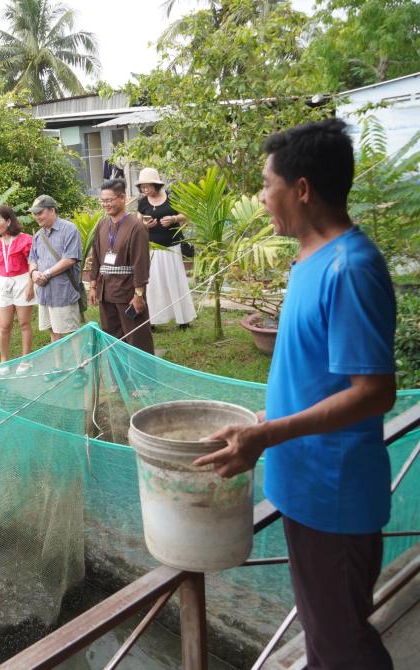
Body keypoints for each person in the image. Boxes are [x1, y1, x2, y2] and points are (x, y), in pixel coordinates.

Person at [194, 119, 396, 670]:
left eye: (268, 184)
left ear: (301, 189)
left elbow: (374, 393)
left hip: (334, 496)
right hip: (305, 488)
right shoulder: (309, 260)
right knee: (325, 637)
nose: (262, 197)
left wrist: (267, 434)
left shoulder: (350, 268)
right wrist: (266, 417)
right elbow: (320, 375)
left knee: (343, 649)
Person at [86, 180, 155, 355]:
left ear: (123, 198)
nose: (105, 204)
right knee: (112, 337)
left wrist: (139, 294)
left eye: (109, 200)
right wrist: (93, 285)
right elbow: (96, 257)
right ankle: (118, 372)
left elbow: (141, 264)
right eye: (103, 201)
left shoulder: (136, 227)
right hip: (105, 291)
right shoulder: (102, 225)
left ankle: (141, 373)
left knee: (137, 337)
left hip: (127, 292)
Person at [135, 168, 196, 330]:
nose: (144, 189)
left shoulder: (171, 197)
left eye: (147, 186)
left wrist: (174, 218)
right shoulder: (143, 202)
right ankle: (153, 321)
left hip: (172, 247)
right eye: (142, 187)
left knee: (176, 282)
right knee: (153, 285)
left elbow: (187, 215)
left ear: (156, 185)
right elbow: (137, 224)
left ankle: (183, 319)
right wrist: (145, 226)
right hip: (152, 249)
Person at [27, 194, 83, 343]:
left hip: (63, 292)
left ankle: (79, 359)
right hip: (44, 293)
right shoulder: (38, 235)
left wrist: (46, 274)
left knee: (71, 332)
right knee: (52, 331)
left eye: (40, 213)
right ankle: (58, 359)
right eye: (34, 214)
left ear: (52, 210)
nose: (37, 217)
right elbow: (33, 259)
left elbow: (70, 259)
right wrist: (33, 273)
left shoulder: (69, 229)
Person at [0, 205, 36, 370]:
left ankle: (26, 359)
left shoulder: (25, 239)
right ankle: (4, 360)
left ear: (8, 221)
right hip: (4, 282)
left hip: (23, 281)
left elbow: (32, 263)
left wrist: (31, 285)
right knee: (4, 325)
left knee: (24, 323)